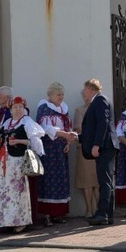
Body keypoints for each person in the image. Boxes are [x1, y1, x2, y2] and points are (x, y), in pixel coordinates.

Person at [0, 96, 45, 233]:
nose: (18, 110)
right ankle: (6, 221)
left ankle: (21, 222)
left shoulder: (27, 122)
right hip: (5, 162)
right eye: (15, 107)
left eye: (20, 107)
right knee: (5, 192)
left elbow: (33, 141)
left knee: (18, 192)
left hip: (18, 162)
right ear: (10, 110)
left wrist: (18, 142)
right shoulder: (7, 123)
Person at [36, 82, 78, 226]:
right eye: (58, 94)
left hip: (61, 147)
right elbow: (45, 128)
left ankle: (58, 213)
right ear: (50, 95)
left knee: (61, 178)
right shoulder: (44, 109)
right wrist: (64, 134)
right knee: (49, 179)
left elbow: (68, 126)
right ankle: (47, 214)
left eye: (62, 94)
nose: (61, 97)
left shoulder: (63, 109)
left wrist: (68, 142)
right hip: (49, 148)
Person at [80, 79, 119, 226]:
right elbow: (93, 128)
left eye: (85, 90)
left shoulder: (100, 100)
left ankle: (102, 214)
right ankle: (107, 215)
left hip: (105, 146)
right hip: (105, 146)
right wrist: (77, 137)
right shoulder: (98, 101)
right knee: (106, 181)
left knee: (105, 181)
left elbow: (103, 123)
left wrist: (97, 145)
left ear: (90, 89)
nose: (84, 93)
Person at [73, 90, 99, 218]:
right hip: (85, 149)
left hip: (99, 149)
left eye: (88, 94)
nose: (86, 97)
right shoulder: (79, 110)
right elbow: (79, 129)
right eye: (83, 95)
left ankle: (99, 209)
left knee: (98, 181)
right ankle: (89, 210)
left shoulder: (100, 108)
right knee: (87, 182)